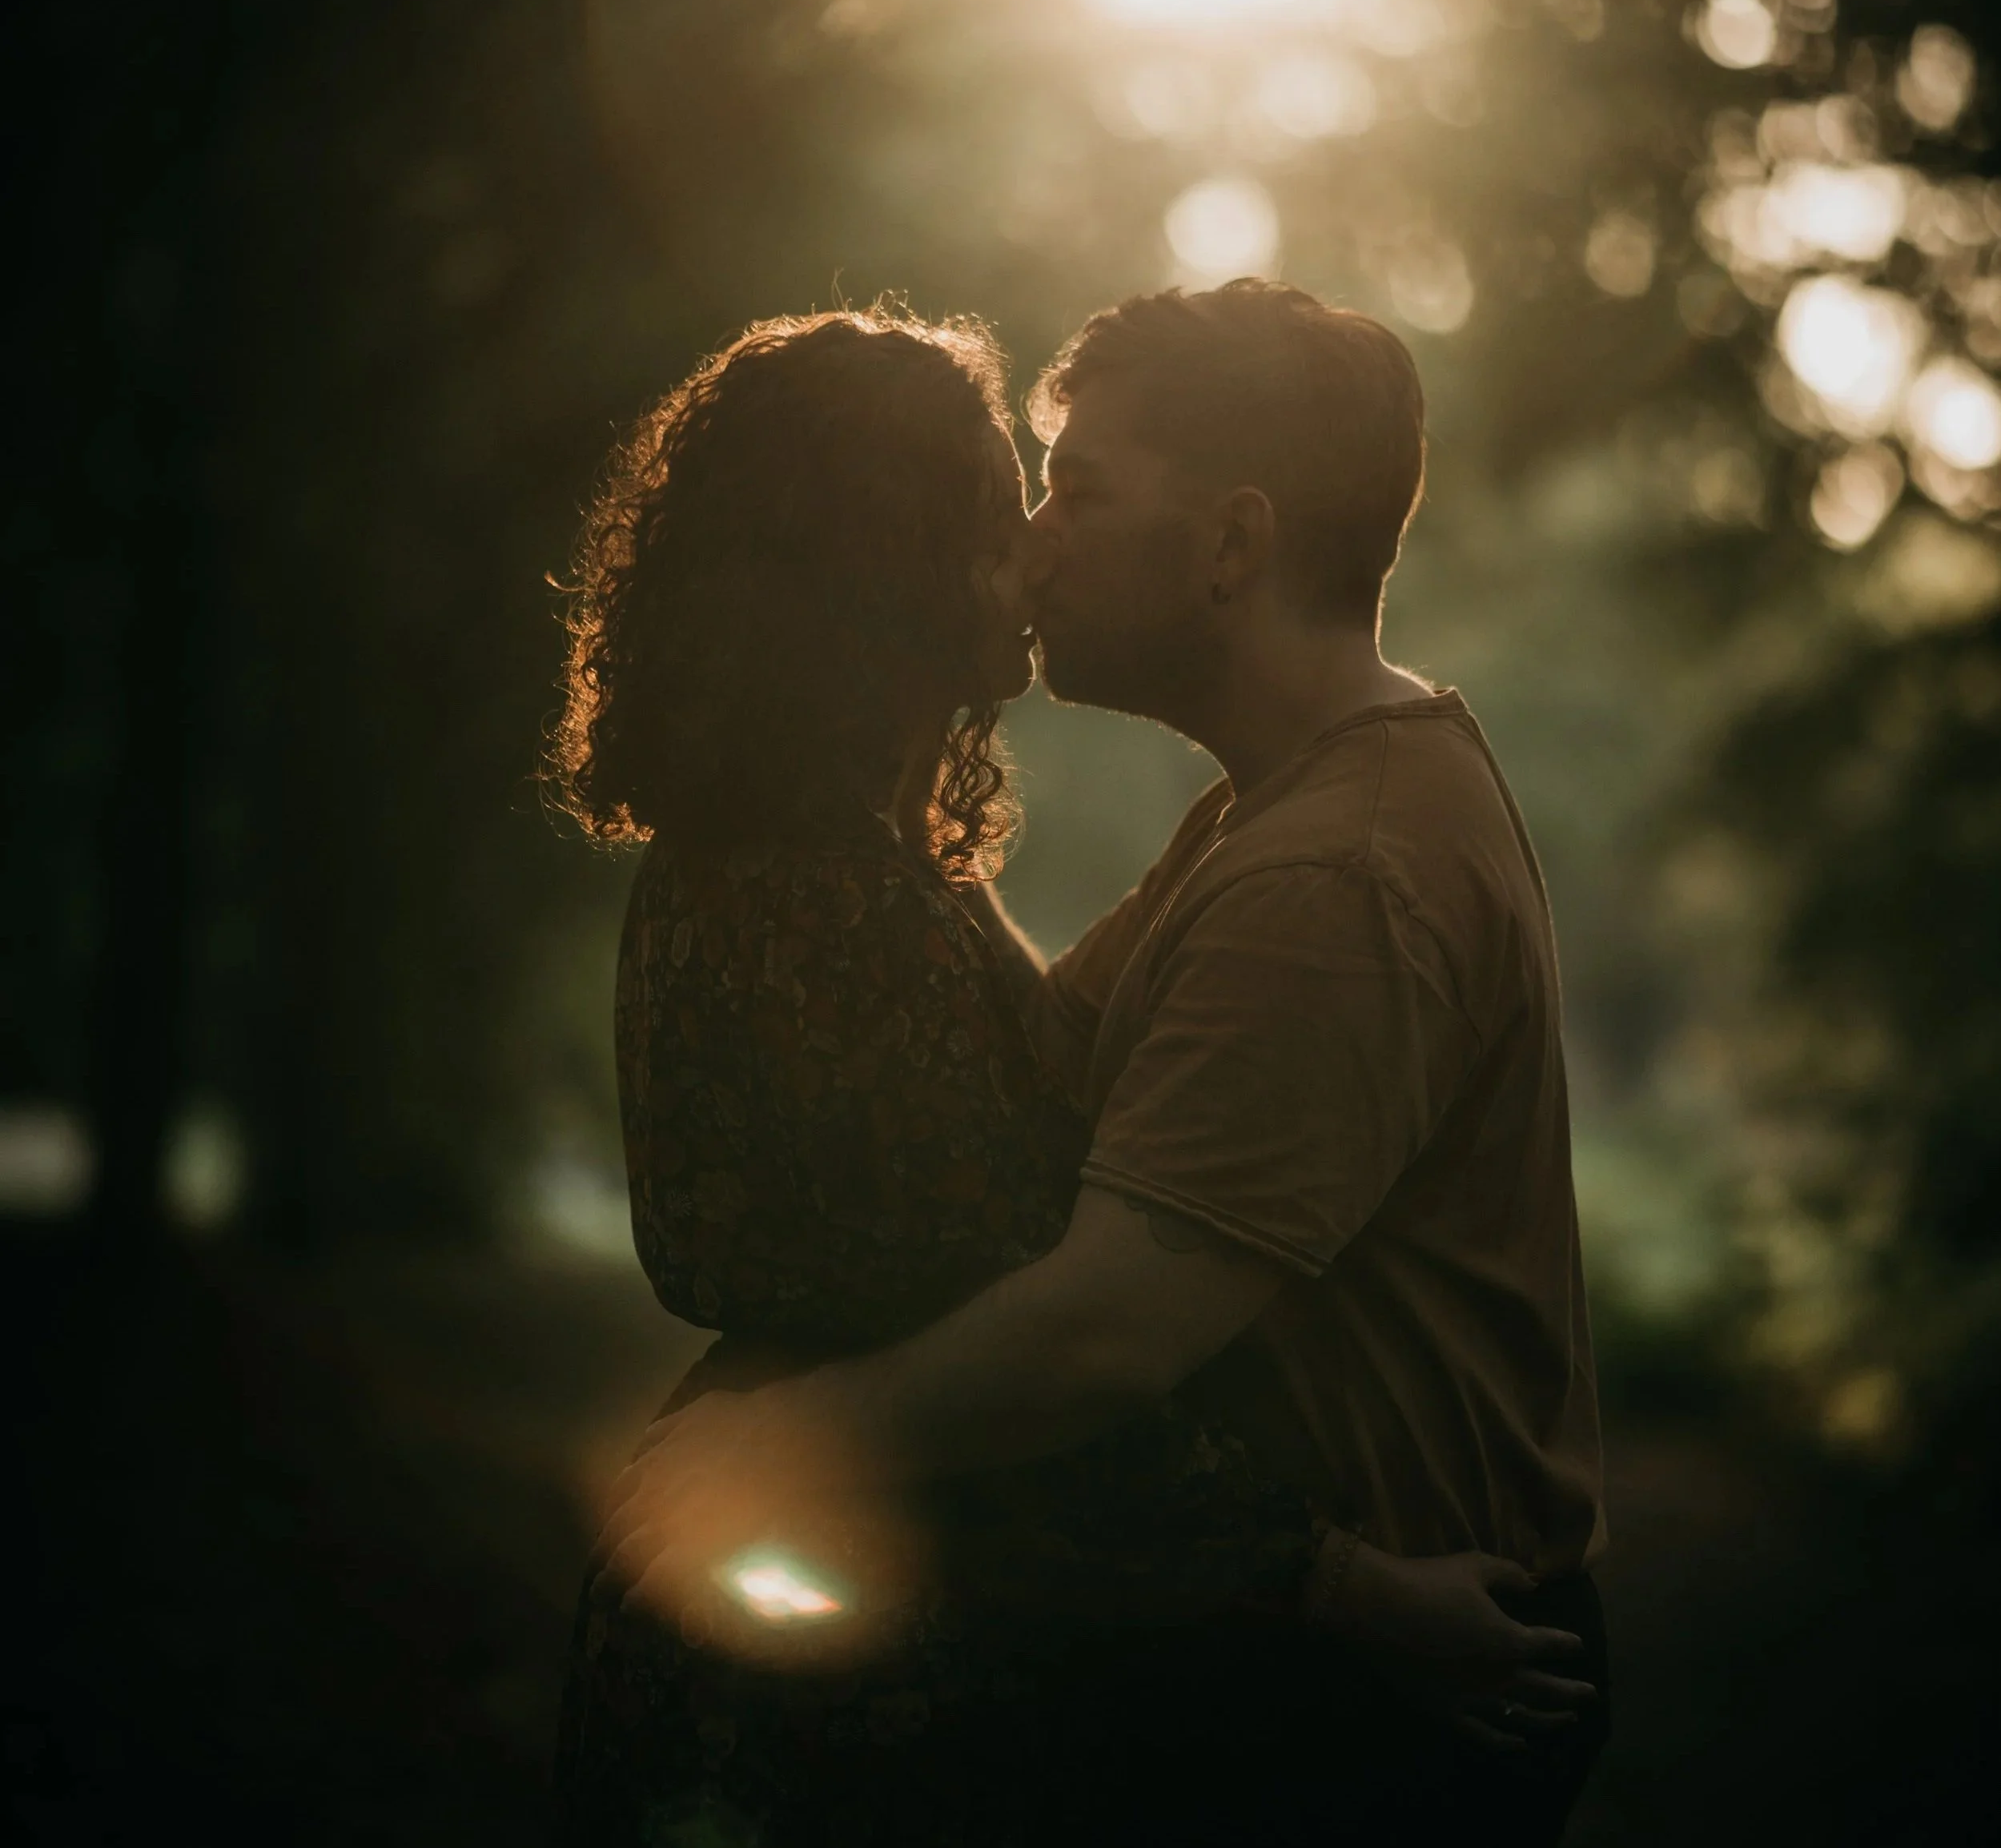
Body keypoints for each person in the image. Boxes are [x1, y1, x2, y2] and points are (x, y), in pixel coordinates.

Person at [550, 303, 1589, 1847]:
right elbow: (1020, 1109)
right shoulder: (1245, 827)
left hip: (1398, 1694)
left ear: (1233, 543)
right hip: (1071, 1674)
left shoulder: (1335, 869)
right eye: (1012, 505)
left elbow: (1089, 1325)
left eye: (1072, 490)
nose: (1036, 551)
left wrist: (790, 1438)